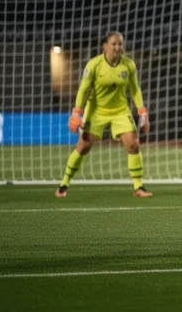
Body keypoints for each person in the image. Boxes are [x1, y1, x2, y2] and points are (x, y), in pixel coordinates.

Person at [58, 31, 151, 198]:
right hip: (97, 110)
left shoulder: (129, 65)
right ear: (105, 46)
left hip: (120, 110)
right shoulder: (94, 64)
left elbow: (135, 89)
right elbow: (83, 89)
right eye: (114, 44)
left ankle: (139, 187)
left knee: (133, 144)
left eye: (120, 44)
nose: (117, 47)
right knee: (83, 146)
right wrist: (77, 113)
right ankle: (64, 185)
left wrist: (142, 110)